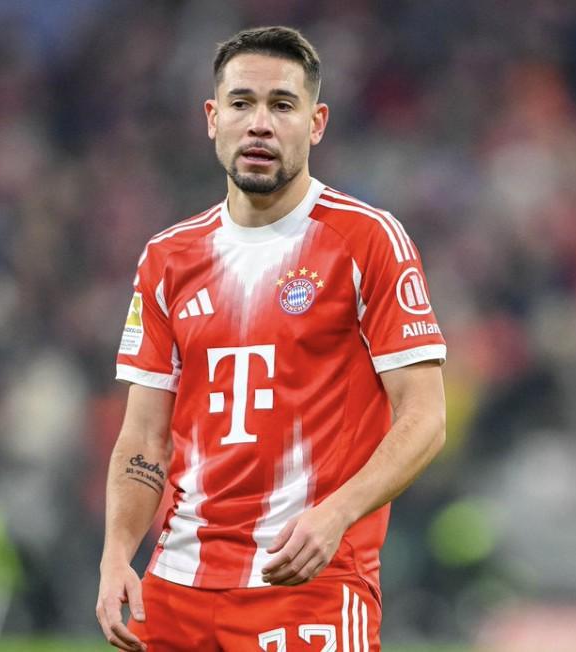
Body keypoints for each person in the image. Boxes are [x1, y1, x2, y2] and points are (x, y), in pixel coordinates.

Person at [96, 25, 446, 652]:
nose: (259, 124)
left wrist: (338, 513)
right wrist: (118, 552)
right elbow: (144, 436)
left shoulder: (367, 240)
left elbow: (425, 417)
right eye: (242, 103)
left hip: (308, 579)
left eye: (282, 105)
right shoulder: (167, 258)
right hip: (176, 587)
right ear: (213, 118)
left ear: (317, 123)